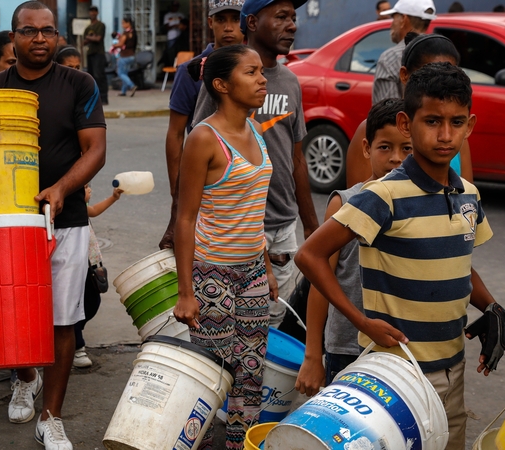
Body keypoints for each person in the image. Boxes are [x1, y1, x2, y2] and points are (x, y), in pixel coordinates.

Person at [295, 62, 505, 450]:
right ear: (407, 123)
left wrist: (492, 307)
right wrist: (362, 320)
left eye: (457, 122)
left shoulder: (469, 196)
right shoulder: (382, 196)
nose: (445, 135)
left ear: (470, 125)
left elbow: (458, 263)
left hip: (452, 368)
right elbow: (309, 256)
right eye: (432, 121)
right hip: (392, 372)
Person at [0, 2, 106, 448]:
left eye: (48, 31)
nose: (40, 39)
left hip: (63, 220)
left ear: (58, 35)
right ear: (13, 37)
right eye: (29, 32)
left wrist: (63, 188)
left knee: (62, 320)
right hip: (6, 223)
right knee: (14, 313)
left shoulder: (79, 83)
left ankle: (51, 416)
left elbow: (95, 150)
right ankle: (24, 377)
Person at [174, 44, 276, 450]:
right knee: (212, 375)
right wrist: (186, 293)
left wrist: (266, 267)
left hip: (252, 269)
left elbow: (254, 211)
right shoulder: (203, 138)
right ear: (221, 84)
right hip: (212, 274)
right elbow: (185, 217)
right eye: (251, 72)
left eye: (261, 71)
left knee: (251, 374)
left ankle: (239, 446)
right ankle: (184, 441)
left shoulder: (254, 128)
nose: (262, 79)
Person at [193, 0, 319, 328]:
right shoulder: (225, 75)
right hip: (234, 231)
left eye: (293, 18)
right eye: (280, 17)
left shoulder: (291, 82)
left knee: (270, 326)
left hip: (282, 226)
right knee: (222, 329)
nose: (291, 25)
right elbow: (196, 155)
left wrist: (310, 225)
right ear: (251, 22)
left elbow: (296, 159)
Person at [294, 98, 412, 396]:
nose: (396, 158)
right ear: (366, 149)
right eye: (385, 147)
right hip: (348, 348)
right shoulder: (345, 203)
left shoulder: (423, 204)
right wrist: (312, 355)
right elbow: (320, 283)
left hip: (406, 348)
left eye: (407, 149)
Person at [159, 0, 245, 250]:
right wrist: (179, 196)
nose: (228, 28)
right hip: (207, 191)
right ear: (210, 23)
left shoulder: (255, 70)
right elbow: (175, 135)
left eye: (234, 20)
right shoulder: (190, 72)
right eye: (221, 20)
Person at [347, 33, 472, 186]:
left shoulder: (453, 136)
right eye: (428, 74)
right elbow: (356, 199)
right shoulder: (373, 129)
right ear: (405, 75)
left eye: (449, 74)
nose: (440, 83)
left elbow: (466, 199)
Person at [72, 184, 123, 368]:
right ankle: (77, 346)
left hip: (89, 264)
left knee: (92, 303)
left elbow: (93, 211)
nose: (89, 189)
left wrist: (114, 198)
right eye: (84, 187)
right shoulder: (70, 208)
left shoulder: (83, 208)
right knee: (75, 306)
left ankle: (72, 333)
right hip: (74, 264)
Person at [372, 0, 435, 104]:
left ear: (403, 20)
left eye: (394, 18)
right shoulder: (442, 53)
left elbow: (387, 115)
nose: (391, 24)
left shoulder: (390, 58)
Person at [83, 6, 108, 105]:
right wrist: (91, 37)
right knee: (92, 77)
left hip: (99, 54)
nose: (92, 14)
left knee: (100, 76)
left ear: (97, 13)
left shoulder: (101, 25)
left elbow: (98, 39)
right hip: (90, 53)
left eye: (94, 12)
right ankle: (95, 99)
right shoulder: (88, 28)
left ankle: (104, 98)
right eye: (91, 12)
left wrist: (89, 38)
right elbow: (84, 42)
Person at [113, 17, 138, 97]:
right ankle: (123, 91)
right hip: (131, 56)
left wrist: (114, 45)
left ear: (128, 23)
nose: (122, 24)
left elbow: (121, 44)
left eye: (123, 22)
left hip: (124, 56)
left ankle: (132, 85)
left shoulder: (126, 34)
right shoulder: (133, 33)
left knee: (120, 73)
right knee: (125, 74)